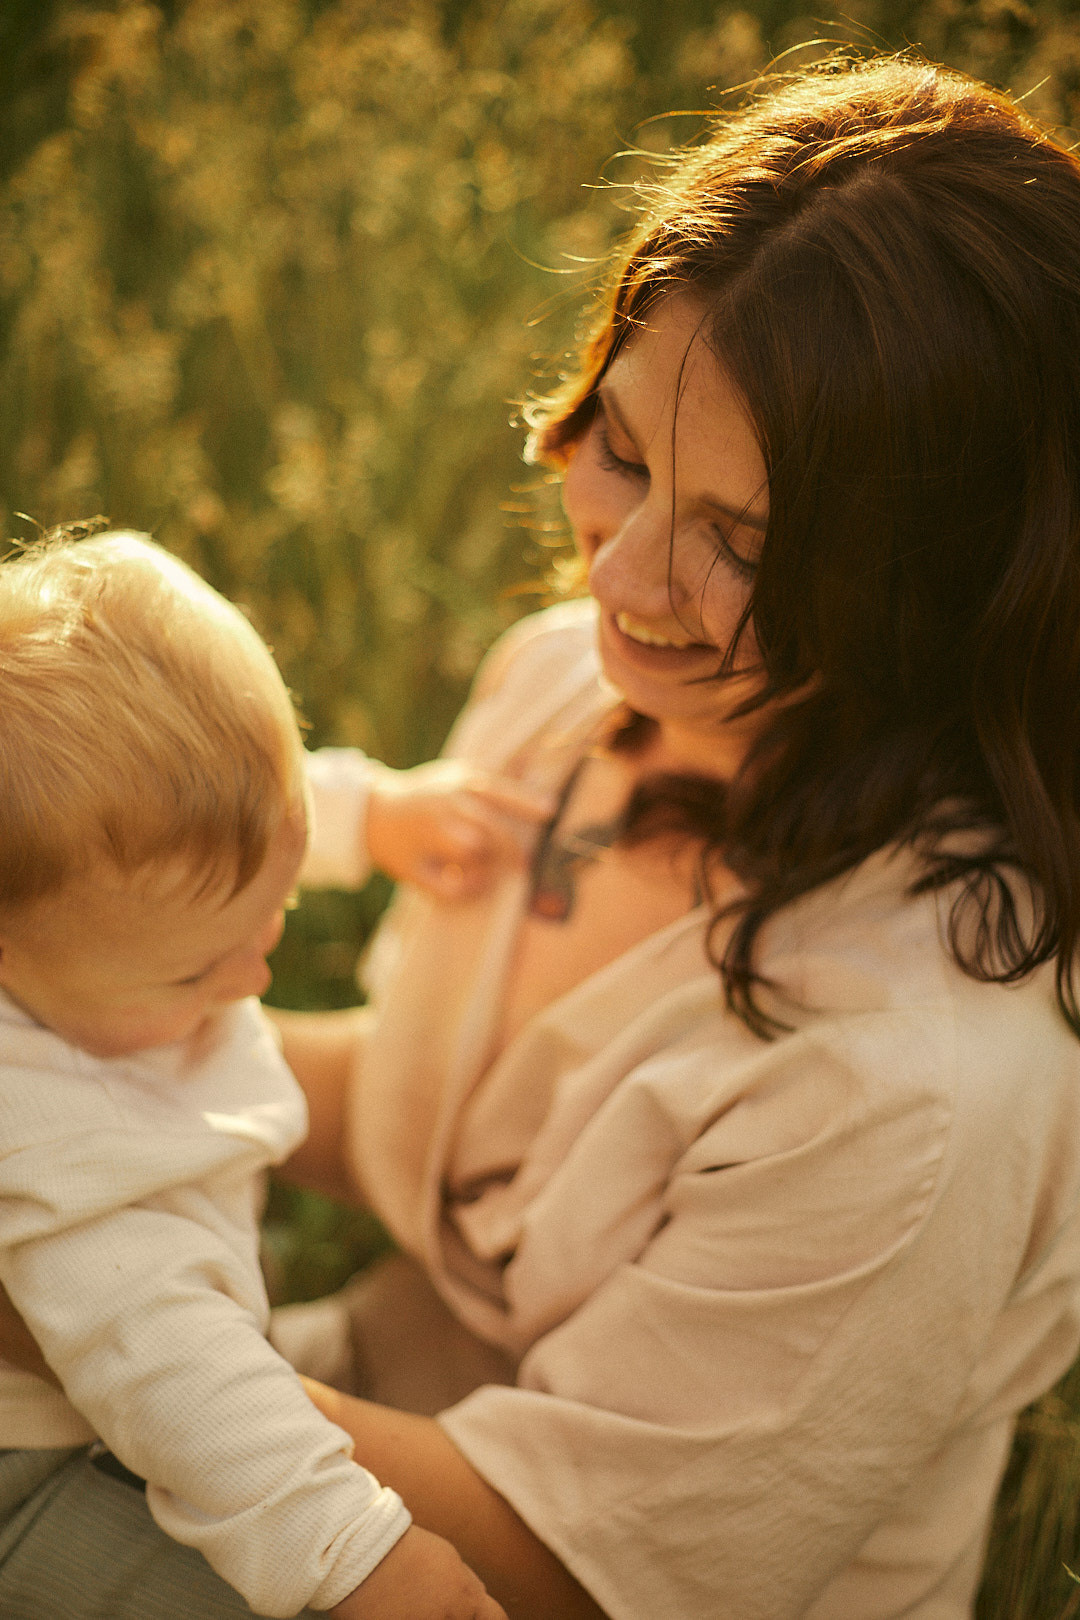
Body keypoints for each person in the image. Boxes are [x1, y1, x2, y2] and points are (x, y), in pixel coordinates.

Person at [5, 49, 1080, 1620]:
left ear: (949, 587)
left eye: (742, 545)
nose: (627, 580)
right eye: (630, 453)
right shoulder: (574, 688)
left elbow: (576, 1560)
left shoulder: (918, 1085)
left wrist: (67, 1304)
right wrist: (40, 1091)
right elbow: (442, 1114)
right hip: (297, 1423)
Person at [0, 529, 509, 1620]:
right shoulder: (57, 1151)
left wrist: (374, 815)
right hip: (40, 1462)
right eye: (198, 967)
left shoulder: (92, 909)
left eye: (273, 907)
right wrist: (360, 1560)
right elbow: (181, 1386)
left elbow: (235, 819)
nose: (257, 970)